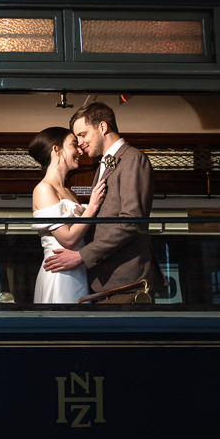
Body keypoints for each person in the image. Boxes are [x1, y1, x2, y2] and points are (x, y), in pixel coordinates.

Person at [43, 102, 161, 295]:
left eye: (82, 134)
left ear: (103, 127)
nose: (80, 142)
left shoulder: (133, 158)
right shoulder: (102, 166)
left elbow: (131, 221)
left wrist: (82, 255)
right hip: (104, 278)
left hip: (127, 280)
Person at [28, 126, 106, 304]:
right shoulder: (43, 189)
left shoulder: (70, 193)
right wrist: (92, 207)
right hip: (59, 273)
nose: (80, 151)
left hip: (78, 269)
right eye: (73, 145)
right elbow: (68, 240)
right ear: (56, 149)